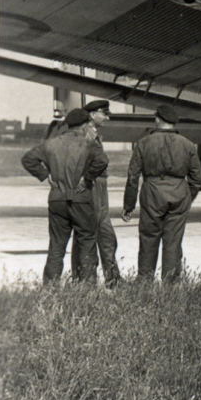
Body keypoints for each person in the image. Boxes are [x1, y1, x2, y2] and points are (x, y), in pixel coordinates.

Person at [21, 108, 109, 284]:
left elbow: (28, 159)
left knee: (56, 246)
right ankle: (87, 287)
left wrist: (45, 175)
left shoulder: (51, 144)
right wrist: (87, 178)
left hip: (57, 199)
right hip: (81, 198)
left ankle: (50, 287)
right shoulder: (90, 144)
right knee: (87, 243)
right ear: (84, 125)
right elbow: (103, 161)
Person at [123, 105, 201, 282]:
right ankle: (171, 285)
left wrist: (129, 205)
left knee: (148, 239)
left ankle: (144, 281)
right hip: (179, 193)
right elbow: (197, 178)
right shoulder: (188, 145)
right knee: (173, 242)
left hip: (152, 192)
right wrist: (187, 197)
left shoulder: (143, 143)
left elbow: (132, 177)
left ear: (157, 119)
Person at [81, 100, 122, 287]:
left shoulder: (93, 133)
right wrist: (87, 178)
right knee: (99, 230)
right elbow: (91, 160)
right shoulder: (87, 134)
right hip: (94, 184)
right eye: (103, 113)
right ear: (91, 114)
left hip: (99, 183)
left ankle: (111, 277)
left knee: (104, 232)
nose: (107, 117)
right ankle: (98, 278)